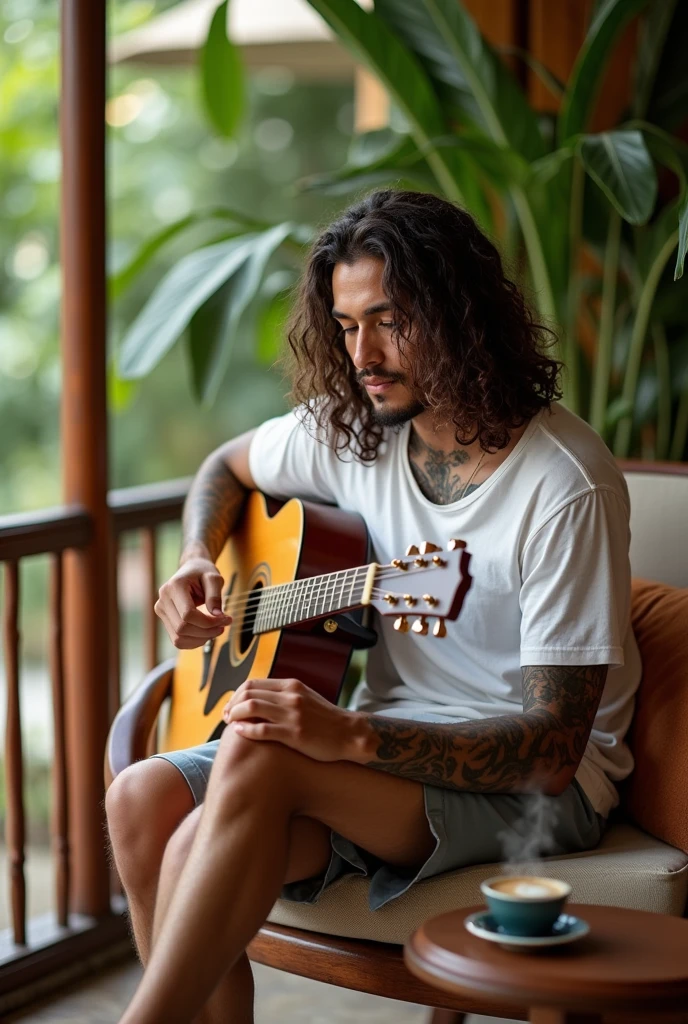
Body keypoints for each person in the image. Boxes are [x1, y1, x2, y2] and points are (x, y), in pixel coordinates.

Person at [107, 189, 640, 1024]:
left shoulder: (563, 483)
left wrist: (350, 733)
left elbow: (552, 756)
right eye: (347, 325)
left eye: (390, 321)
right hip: (379, 762)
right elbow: (225, 464)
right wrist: (196, 558)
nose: (365, 354)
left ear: (461, 315)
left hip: (537, 790)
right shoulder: (359, 428)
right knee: (143, 802)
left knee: (260, 753)